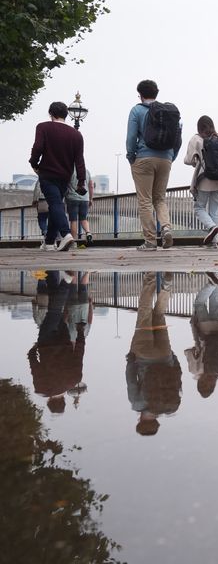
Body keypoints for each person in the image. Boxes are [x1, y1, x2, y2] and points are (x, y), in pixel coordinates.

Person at [126, 79, 181, 251]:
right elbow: (178, 138)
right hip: (166, 158)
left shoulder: (137, 110)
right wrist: (171, 156)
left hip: (143, 158)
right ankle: (166, 228)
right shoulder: (169, 112)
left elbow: (131, 137)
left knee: (145, 200)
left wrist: (131, 156)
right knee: (160, 198)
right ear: (157, 93)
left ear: (140, 94)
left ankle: (150, 241)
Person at [126, 272, 181, 436]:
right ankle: (150, 277)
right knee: (144, 313)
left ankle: (166, 289)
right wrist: (130, 358)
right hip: (143, 356)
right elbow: (131, 380)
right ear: (140, 421)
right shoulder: (137, 404)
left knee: (159, 315)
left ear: (157, 422)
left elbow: (178, 379)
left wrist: (173, 357)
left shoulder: (171, 404)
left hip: (165, 356)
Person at [28, 101, 87, 251]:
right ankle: (48, 243)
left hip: (47, 172)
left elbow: (38, 147)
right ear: (66, 115)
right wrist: (81, 180)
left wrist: (33, 162)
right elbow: (79, 160)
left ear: (51, 114)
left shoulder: (43, 127)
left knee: (55, 204)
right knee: (56, 205)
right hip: (65, 176)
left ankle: (66, 234)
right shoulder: (76, 135)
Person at [27, 270, 86, 414]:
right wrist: (33, 351)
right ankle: (65, 281)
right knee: (54, 311)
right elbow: (35, 367)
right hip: (46, 344)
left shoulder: (74, 380)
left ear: (64, 400)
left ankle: (51, 273)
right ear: (49, 401)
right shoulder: (41, 388)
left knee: (56, 310)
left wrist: (80, 333)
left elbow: (79, 354)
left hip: (64, 340)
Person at [184, 272, 218, 398]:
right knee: (199, 304)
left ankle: (217, 273)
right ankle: (212, 282)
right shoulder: (196, 370)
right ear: (199, 383)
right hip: (205, 331)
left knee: (215, 301)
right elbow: (189, 352)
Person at [183, 115, 218, 248]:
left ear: (199, 128)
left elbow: (188, 160)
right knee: (215, 211)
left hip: (205, 180)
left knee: (199, 207)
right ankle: (214, 243)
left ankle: (211, 227)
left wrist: (197, 161)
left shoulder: (197, 139)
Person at [66, 165, 95, 246]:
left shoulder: (70, 170)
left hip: (72, 198)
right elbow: (91, 186)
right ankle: (88, 233)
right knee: (83, 219)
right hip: (85, 199)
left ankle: (73, 242)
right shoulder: (87, 171)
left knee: (73, 220)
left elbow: (65, 185)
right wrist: (91, 198)